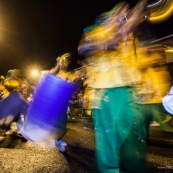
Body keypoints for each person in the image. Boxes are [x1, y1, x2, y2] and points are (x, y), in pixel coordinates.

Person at [77, 1, 149, 172]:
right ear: (105, 19)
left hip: (126, 90)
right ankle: (109, 169)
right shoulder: (95, 32)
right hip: (104, 92)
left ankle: (129, 164)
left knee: (131, 132)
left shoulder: (125, 33)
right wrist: (105, 42)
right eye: (115, 15)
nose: (119, 17)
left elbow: (132, 22)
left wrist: (141, 6)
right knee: (107, 136)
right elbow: (83, 47)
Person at [50, 53, 76, 152]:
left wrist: (72, 84)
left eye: (68, 61)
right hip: (53, 100)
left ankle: (59, 139)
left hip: (63, 101)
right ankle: (54, 138)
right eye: (64, 61)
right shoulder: (54, 70)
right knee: (54, 120)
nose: (66, 63)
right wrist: (58, 65)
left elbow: (74, 85)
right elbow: (50, 76)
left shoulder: (70, 73)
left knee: (62, 121)